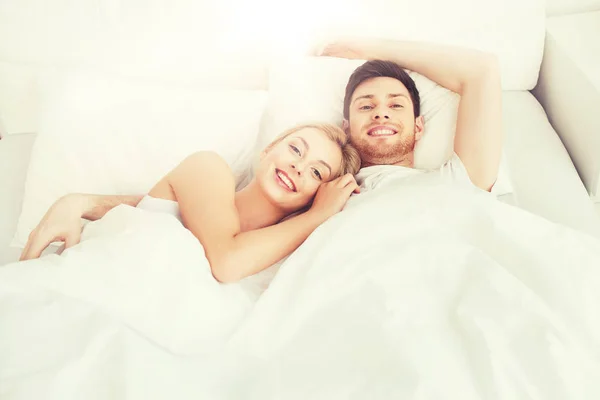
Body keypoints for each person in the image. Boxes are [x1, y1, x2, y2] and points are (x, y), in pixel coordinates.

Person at [19, 123, 361, 282]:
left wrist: (82, 202)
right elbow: (225, 262)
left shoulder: (280, 256)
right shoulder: (209, 168)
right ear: (269, 149)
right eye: (296, 149)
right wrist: (317, 215)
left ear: (317, 193)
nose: (298, 166)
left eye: (317, 172)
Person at [322, 38, 503, 193]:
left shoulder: (460, 181)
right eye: (366, 106)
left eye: (396, 105)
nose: (381, 113)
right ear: (346, 129)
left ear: (418, 127)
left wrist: (367, 50)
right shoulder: (326, 196)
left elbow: (481, 69)